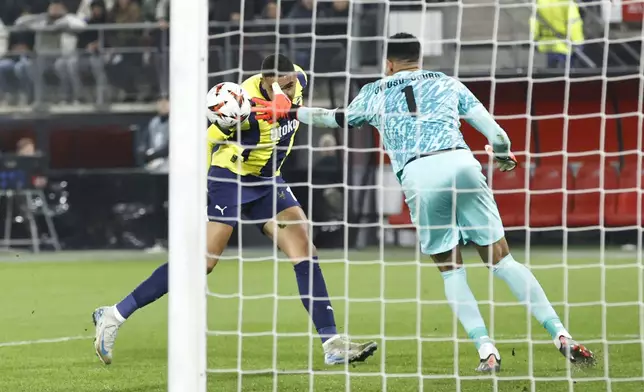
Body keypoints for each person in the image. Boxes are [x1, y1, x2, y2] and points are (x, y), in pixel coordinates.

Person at [252, 33, 596, 372]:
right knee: (502, 261)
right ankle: (560, 333)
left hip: (420, 173)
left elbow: (334, 118)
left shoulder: (374, 91)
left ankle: (487, 350)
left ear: (388, 64)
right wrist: (503, 156)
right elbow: (499, 136)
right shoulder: (448, 83)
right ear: (419, 60)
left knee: (452, 270)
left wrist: (292, 113)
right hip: (462, 164)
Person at [91, 54, 377, 366]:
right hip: (230, 178)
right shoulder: (242, 106)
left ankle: (331, 343)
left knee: (304, 249)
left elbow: (300, 112)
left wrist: (340, 116)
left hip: (268, 180)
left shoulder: (299, 79)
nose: (290, 86)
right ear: (266, 82)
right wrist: (198, 185)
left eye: (291, 82)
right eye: (282, 84)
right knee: (203, 263)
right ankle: (114, 315)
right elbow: (207, 140)